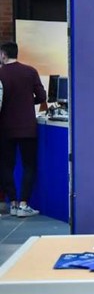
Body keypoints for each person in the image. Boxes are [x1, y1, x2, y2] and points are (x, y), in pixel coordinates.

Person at [0, 42, 47, 217]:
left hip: (5, 128)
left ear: (3, 54)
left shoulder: (1, 73)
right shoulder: (30, 71)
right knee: (29, 165)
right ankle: (23, 205)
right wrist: (27, 102)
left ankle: (12, 202)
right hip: (27, 127)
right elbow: (42, 96)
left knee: (6, 165)